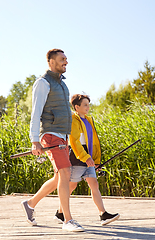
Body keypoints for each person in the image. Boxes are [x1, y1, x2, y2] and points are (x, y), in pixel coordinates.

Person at [20, 49, 84, 232]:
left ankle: (30, 204)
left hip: (62, 135)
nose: (66, 61)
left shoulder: (62, 85)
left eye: (66, 59)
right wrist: (35, 141)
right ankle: (68, 221)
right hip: (50, 134)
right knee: (65, 173)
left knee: (59, 176)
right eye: (62, 59)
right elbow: (36, 112)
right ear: (51, 62)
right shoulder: (42, 83)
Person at [54, 94, 120, 226]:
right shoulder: (73, 119)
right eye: (85, 105)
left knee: (94, 184)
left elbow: (93, 143)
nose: (88, 107)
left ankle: (103, 214)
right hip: (77, 156)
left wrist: (95, 160)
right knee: (71, 186)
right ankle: (60, 213)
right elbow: (75, 142)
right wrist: (85, 157)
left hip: (88, 156)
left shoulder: (89, 120)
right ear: (76, 107)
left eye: (88, 104)